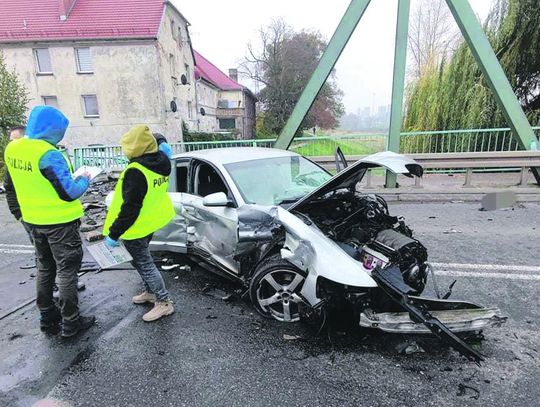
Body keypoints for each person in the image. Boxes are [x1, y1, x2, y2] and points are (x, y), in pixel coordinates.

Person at [4, 106, 95, 338]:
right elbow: (69, 192)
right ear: (52, 130)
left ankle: (47, 315)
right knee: (67, 272)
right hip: (60, 223)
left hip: (34, 221)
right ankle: (71, 322)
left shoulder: (13, 148)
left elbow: (15, 183)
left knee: (45, 268)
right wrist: (84, 180)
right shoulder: (48, 154)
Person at [103, 125, 175, 322]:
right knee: (140, 261)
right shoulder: (162, 162)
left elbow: (130, 208)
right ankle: (150, 292)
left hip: (136, 226)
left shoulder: (136, 171)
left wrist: (114, 233)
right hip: (150, 220)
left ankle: (163, 302)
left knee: (144, 263)